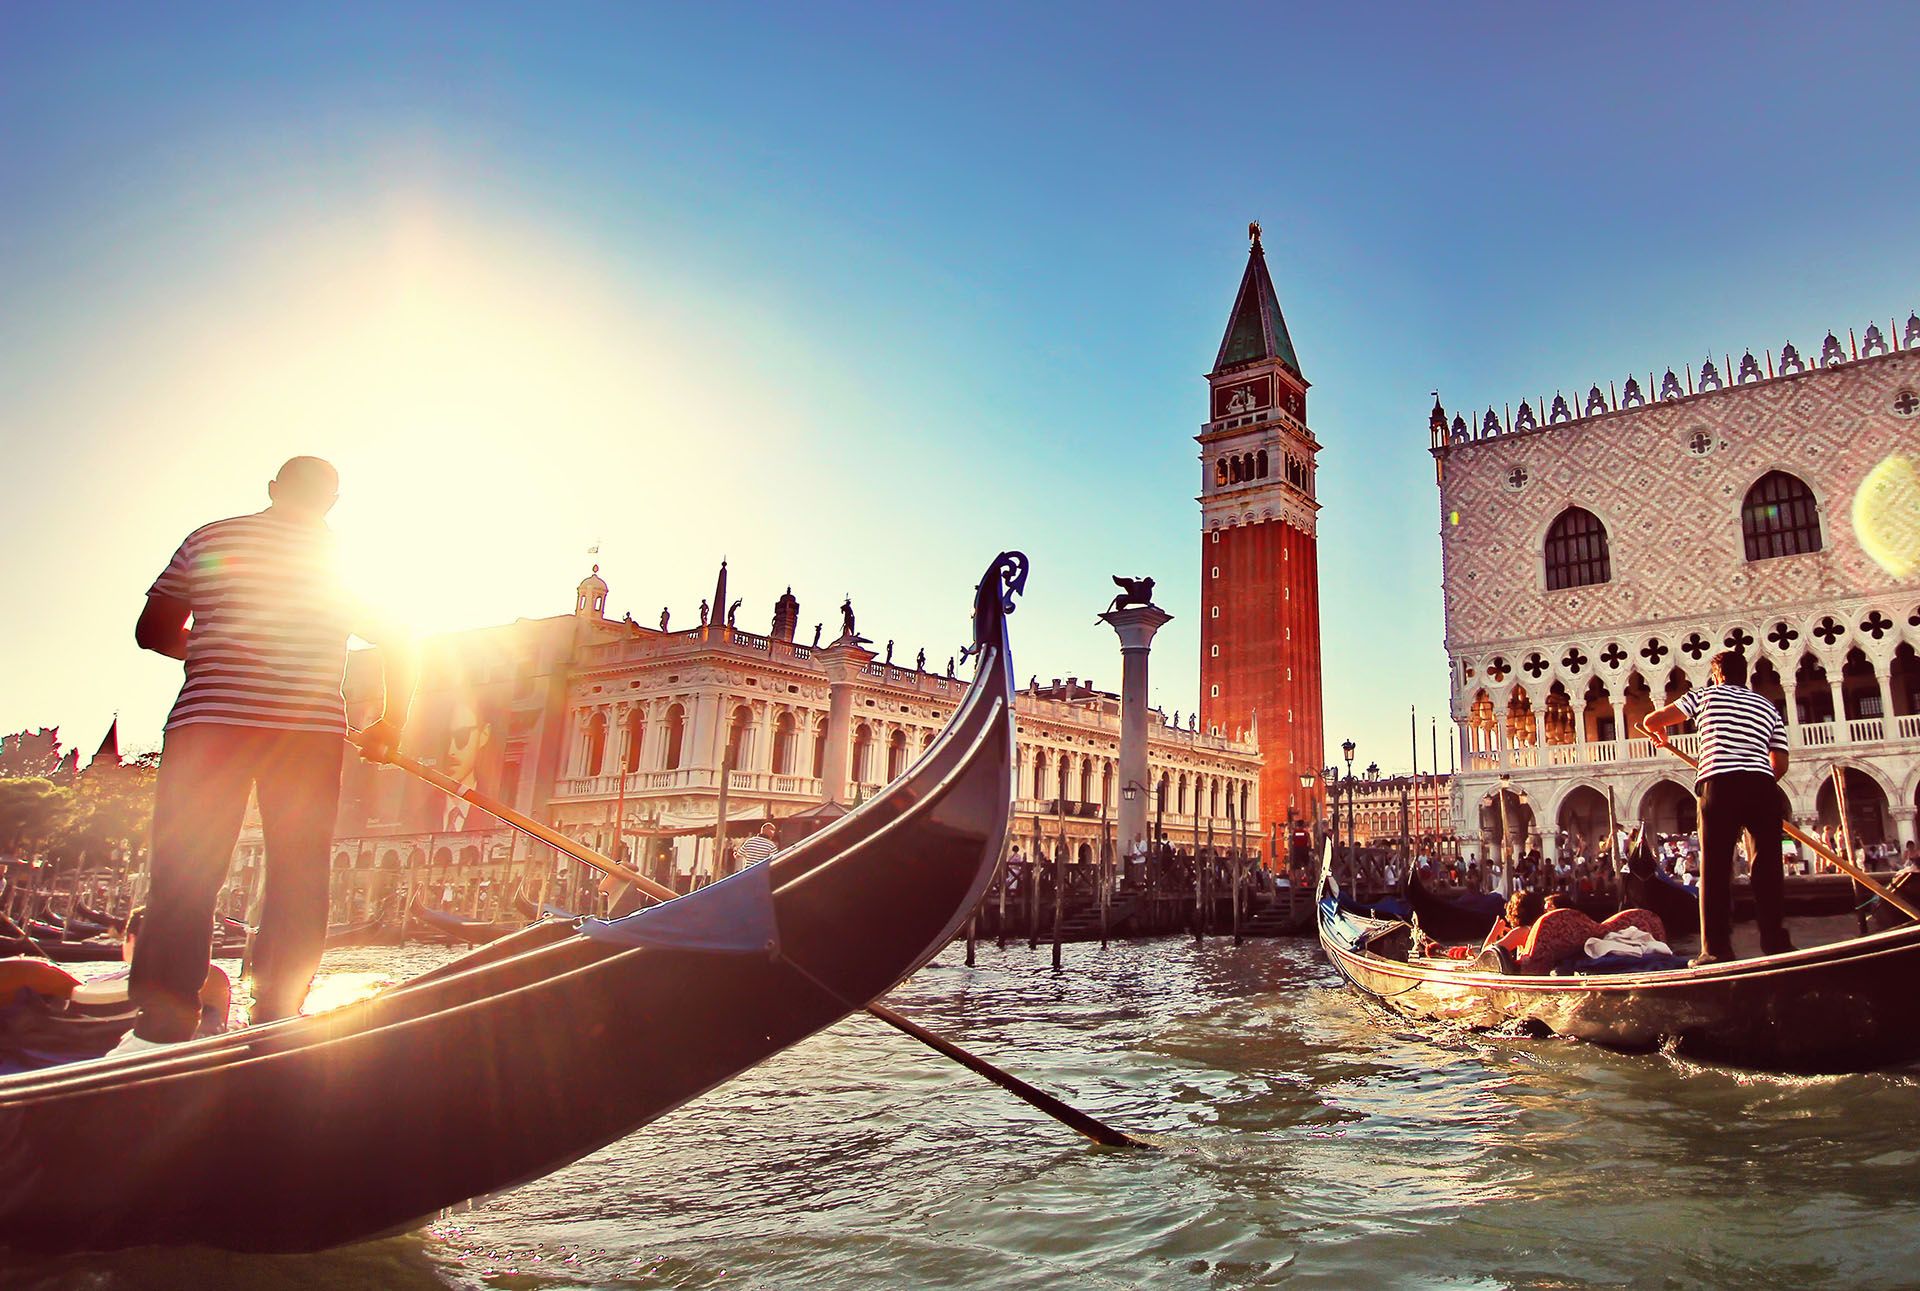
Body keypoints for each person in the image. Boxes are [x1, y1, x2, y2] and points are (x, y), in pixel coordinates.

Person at [117, 458, 413, 1052]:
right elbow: (399, 638)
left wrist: (211, 649)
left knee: (185, 868)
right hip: (305, 733)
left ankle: (164, 1015)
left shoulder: (210, 540)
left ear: (274, 490)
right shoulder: (345, 562)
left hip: (209, 726)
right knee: (300, 871)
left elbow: (152, 631)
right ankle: (277, 1005)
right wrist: (389, 725)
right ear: (331, 501)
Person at [1641, 649, 1791, 965]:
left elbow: (1650, 720)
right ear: (1744, 675)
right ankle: (1776, 944)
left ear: (1717, 675)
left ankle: (1716, 950)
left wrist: (1661, 733)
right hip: (1762, 787)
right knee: (1767, 870)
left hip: (1719, 785)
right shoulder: (1767, 706)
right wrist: (1758, 779)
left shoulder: (1705, 697)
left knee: (1715, 870)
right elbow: (1780, 762)